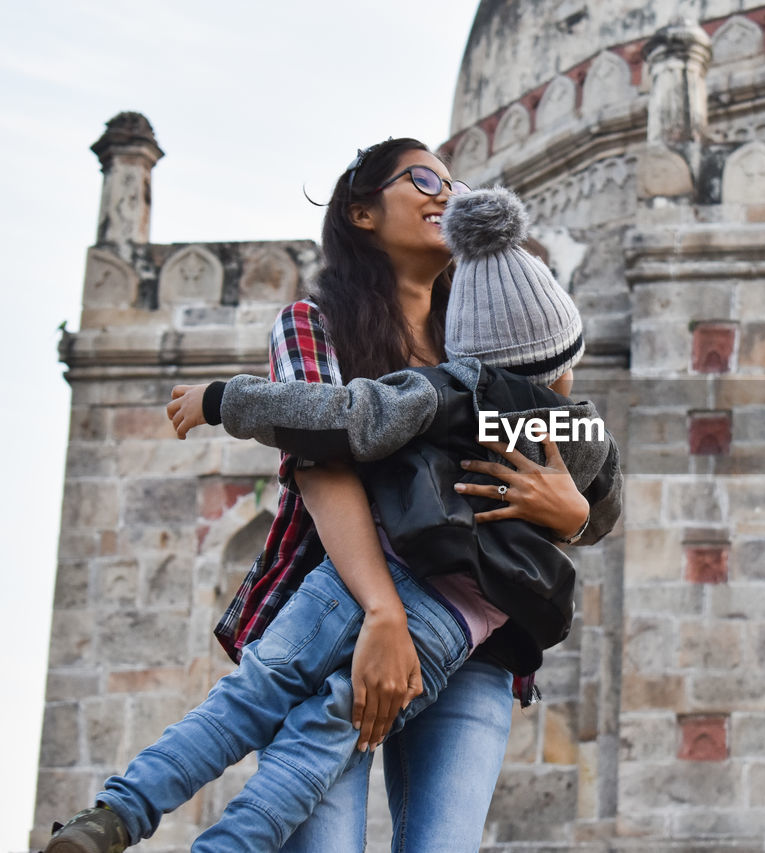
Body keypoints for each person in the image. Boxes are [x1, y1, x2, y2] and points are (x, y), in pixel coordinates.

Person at [47, 148, 615, 852]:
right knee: (312, 799)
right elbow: (325, 457)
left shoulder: (468, 373)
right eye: (425, 179)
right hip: (357, 595)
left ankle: (132, 817)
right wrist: (384, 612)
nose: (449, 195)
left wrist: (573, 514)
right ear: (362, 210)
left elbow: (589, 499)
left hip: (469, 645)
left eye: (456, 184)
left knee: (362, 785)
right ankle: (118, 816)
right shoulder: (331, 329)